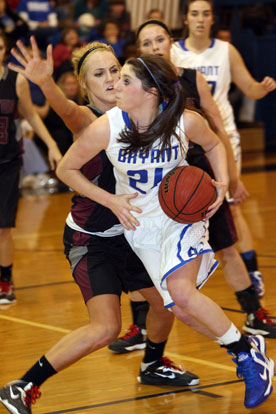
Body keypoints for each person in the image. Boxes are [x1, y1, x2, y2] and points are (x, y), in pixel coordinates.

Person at [54, 53, 274, 410]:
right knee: (182, 309)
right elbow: (67, 169)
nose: (115, 85)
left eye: (125, 80)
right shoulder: (108, 126)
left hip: (181, 219)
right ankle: (247, 350)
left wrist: (220, 182)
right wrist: (108, 199)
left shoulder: (184, 122)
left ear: (151, 92)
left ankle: (248, 361)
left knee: (182, 294)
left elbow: (215, 143)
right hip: (142, 229)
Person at [0, 38, 202, 414]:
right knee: (106, 328)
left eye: (114, 70)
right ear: (84, 83)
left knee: (168, 303)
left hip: (133, 234)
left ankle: (153, 363)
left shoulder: (145, 112)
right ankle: (23, 385)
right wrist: (46, 85)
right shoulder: (89, 118)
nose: (110, 79)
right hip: (91, 238)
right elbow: (66, 111)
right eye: (99, 74)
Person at [108, 18, 276, 354]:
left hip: (196, 178)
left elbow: (215, 128)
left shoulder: (190, 80)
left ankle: (254, 313)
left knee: (226, 245)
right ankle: (139, 327)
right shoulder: (130, 95)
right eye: (147, 43)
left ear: (171, 42)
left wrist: (230, 178)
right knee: (145, 261)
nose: (155, 47)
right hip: (153, 190)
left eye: (160, 40)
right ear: (139, 51)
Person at [170, 0, 276, 299]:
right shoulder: (174, 52)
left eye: (206, 14)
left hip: (221, 137)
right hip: (183, 141)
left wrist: (263, 87)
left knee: (230, 202)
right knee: (183, 205)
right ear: (186, 19)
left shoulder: (226, 51)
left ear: (213, 19)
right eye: (195, 14)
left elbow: (250, 88)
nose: (200, 19)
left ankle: (252, 273)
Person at [0, 33, 61, 305]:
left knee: (3, 227)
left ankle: (5, 282)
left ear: (4, 51)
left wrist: (51, 144)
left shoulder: (17, 81)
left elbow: (32, 115)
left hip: (7, 164)